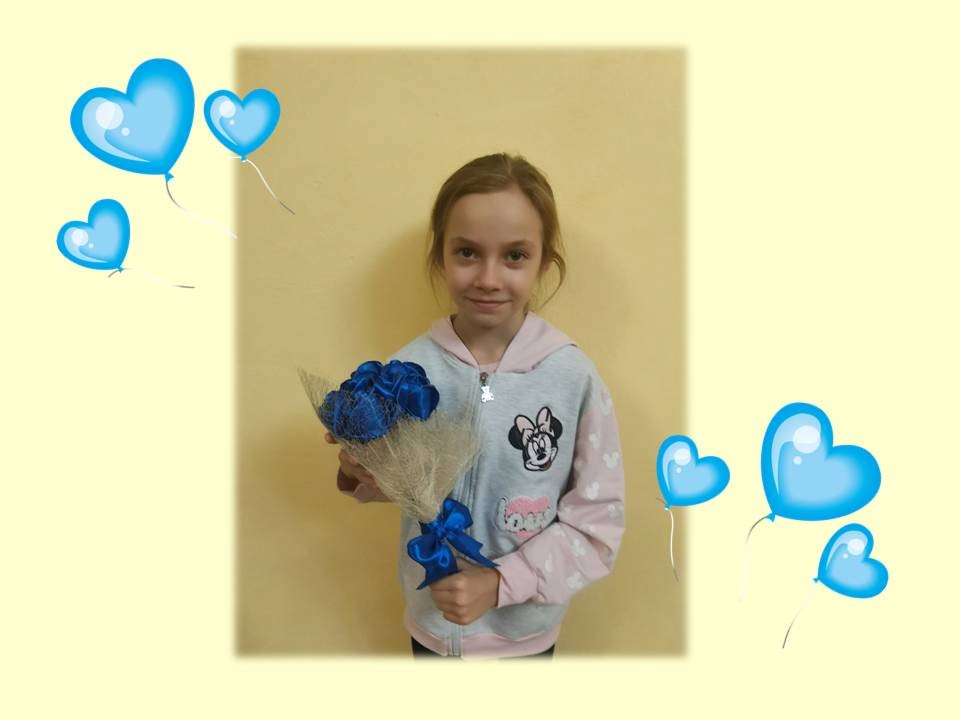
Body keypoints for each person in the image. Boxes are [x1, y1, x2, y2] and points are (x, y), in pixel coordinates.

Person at [326, 152, 626, 659]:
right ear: (440, 256)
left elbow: (597, 523)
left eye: (514, 256)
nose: (488, 277)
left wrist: (502, 582)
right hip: (433, 629)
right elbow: (403, 483)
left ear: (544, 262)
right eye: (467, 252)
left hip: (524, 640)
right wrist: (359, 468)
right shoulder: (405, 374)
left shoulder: (573, 378)